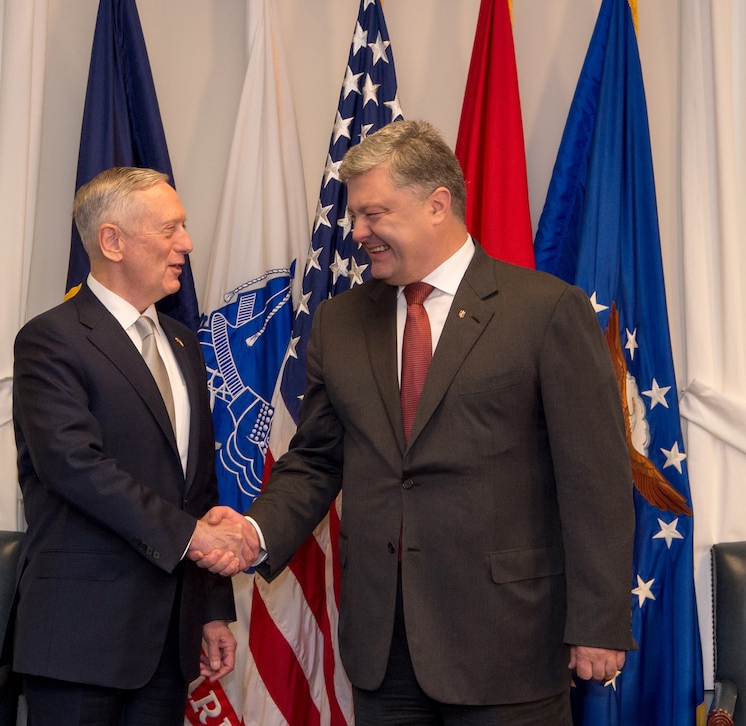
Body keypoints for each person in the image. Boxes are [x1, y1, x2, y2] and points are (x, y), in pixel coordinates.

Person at [193, 120, 636, 725]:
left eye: (374, 214)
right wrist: (255, 532)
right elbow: (317, 459)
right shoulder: (340, 322)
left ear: (437, 204)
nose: (358, 233)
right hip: (384, 648)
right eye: (355, 217)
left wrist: (599, 621)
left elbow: (596, 480)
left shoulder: (546, 311)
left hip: (509, 641)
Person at [12, 166, 255, 725]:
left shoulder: (182, 341)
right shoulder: (51, 339)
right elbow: (75, 467)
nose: (186, 244)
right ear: (112, 241)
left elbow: (197, 485)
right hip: (78, 641)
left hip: (167, 641)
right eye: (170, 229)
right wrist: (194, 538)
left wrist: (213, 609)